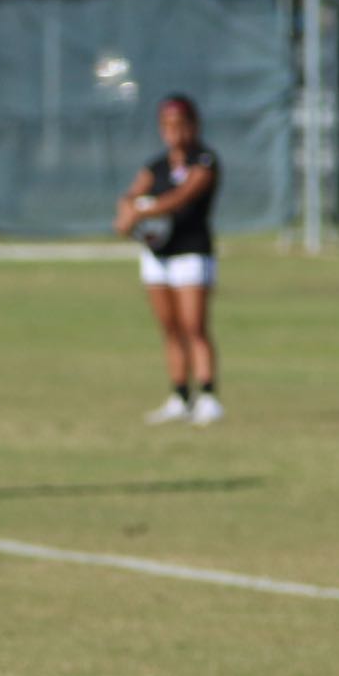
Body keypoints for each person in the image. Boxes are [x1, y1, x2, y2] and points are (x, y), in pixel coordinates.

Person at [113, 93, 223, 426]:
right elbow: (131, 194)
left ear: (193, 125)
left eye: (179, 124)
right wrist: (126, 211)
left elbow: (181, 198)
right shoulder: (156, 165)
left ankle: (207, 395)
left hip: (191, 252)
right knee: (170, 328)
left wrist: (141, 210)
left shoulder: (204, 161)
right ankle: (179, 395)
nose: (173, 132)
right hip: (157, 253)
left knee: (194, 326)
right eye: (167, 125)